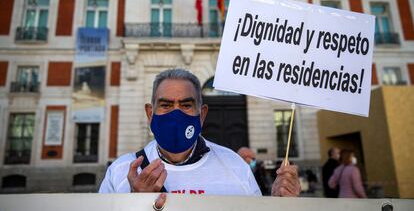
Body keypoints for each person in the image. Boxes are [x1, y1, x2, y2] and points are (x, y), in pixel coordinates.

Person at [99, 68, 300, 209]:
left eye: (186, 105)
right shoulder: (121, 171)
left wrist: (277, 205)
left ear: (202, 115)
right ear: (150, 113)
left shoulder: (234, 166)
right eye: (166, 105)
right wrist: (135, 203)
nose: (175, 114)